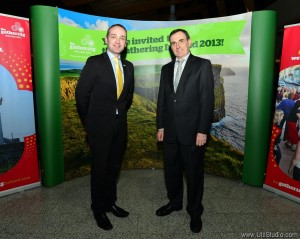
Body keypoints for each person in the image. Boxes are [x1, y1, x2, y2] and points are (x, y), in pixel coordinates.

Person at [75, 24, 134, 230]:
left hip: (120, 128)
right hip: (99, 128)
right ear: (106, 39)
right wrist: (90, 122)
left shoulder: (129, 66)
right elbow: (81, 96)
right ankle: (98, 208)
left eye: (123, 38)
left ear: (126, 42)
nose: (118, 41)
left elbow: (126, 97)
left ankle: (110, 202)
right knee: (100, 169)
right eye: (114, 36)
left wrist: (117, 113)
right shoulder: (95, 63)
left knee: (114, 168)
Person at [156, 29, 214, 233]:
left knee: (194, 174)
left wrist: (202, 131)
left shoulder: (202, 65)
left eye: (181, 41)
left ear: (189, 42)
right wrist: (160, 126)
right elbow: (162, 99)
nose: (177, 45)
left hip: (192, 133)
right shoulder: (165, 69)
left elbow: (207, 101)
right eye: (173, 43)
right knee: (171, 171)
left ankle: (195, 212)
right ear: (170, 46)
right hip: (170, 132)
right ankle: (175, 202)